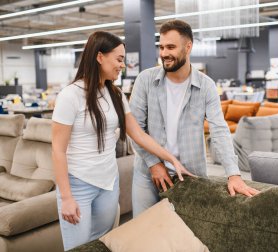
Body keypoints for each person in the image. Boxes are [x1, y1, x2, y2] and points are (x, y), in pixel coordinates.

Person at [51, 31, 193, 251]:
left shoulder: (115, 94)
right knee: (77, 248)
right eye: (118, 59)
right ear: (100, 57)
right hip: (78, 184)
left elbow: (139, 134)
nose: (123, 65)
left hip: (109, 183)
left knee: (102, 243)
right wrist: (67, 197)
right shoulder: (70, 96)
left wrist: (171, 159)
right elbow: (58, 150)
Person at [130, 20, 260, 217]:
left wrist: (233, 174)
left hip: (189, 175)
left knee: (188, 233)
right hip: (148, 174)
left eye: (171, 47)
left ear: (188, 46)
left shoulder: (206, 86)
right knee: (143, 234)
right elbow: (134, 129)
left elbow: (219, 130)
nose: (164, 53)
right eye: (162, 47)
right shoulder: (145, 80)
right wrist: (154, 164)